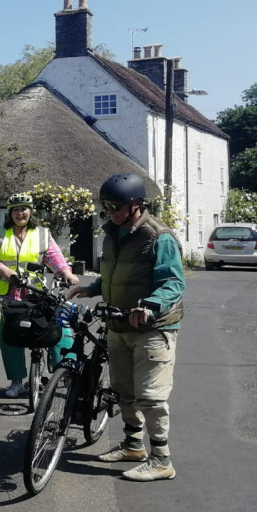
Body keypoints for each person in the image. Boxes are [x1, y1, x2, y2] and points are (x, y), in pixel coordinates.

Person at [69, 173, 184, 482]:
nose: (110, 212)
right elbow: (115, 273)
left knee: (150, 396)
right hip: (118, 325)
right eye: (106, 206)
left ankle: (161, 459)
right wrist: (91, 288)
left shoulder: (158, 236)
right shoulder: (111, 233)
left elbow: (173, 283)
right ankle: (133, 445)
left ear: (136, 205)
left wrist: (149, 305)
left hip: (154, 329)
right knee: (124, 392)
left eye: (116, 206)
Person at [0, 193, 80, 398]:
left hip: (35, 291)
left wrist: (65, 272)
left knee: (55, 326)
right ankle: (16, 381)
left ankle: (64, 370)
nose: (20, 213)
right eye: (15, 209)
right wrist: (4, 270)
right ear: (10, 213)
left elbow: (54, 256)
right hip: (7, 293)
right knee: (9, 335)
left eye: (24, 209)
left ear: (31, 212)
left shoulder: (42, 234)